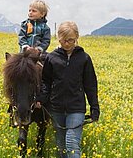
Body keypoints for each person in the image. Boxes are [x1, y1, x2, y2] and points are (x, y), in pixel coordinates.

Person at [35, 21, 100, 158]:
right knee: (61, 146)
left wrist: (95, 108)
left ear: (77, 37)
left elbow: (90, 85)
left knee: (72, 144)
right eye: (63, 40)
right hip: (56, 108)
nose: (67, 43)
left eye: (70, 40)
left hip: (76, 108)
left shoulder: (84, 58)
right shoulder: (52, 58)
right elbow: (46, 82)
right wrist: (41, 99)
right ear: (58, 38)